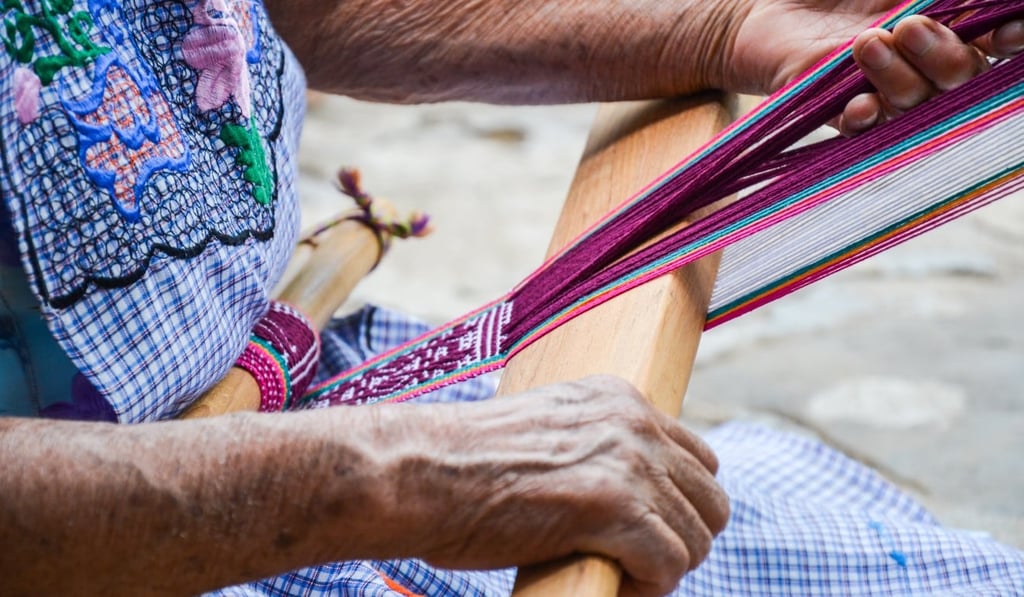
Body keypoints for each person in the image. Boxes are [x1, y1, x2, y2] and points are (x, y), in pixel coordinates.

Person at [0, 0, 1021, 595]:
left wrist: (725, 31)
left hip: (294, 401)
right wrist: (383, 482)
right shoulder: (372, 478)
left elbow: (304, 11)